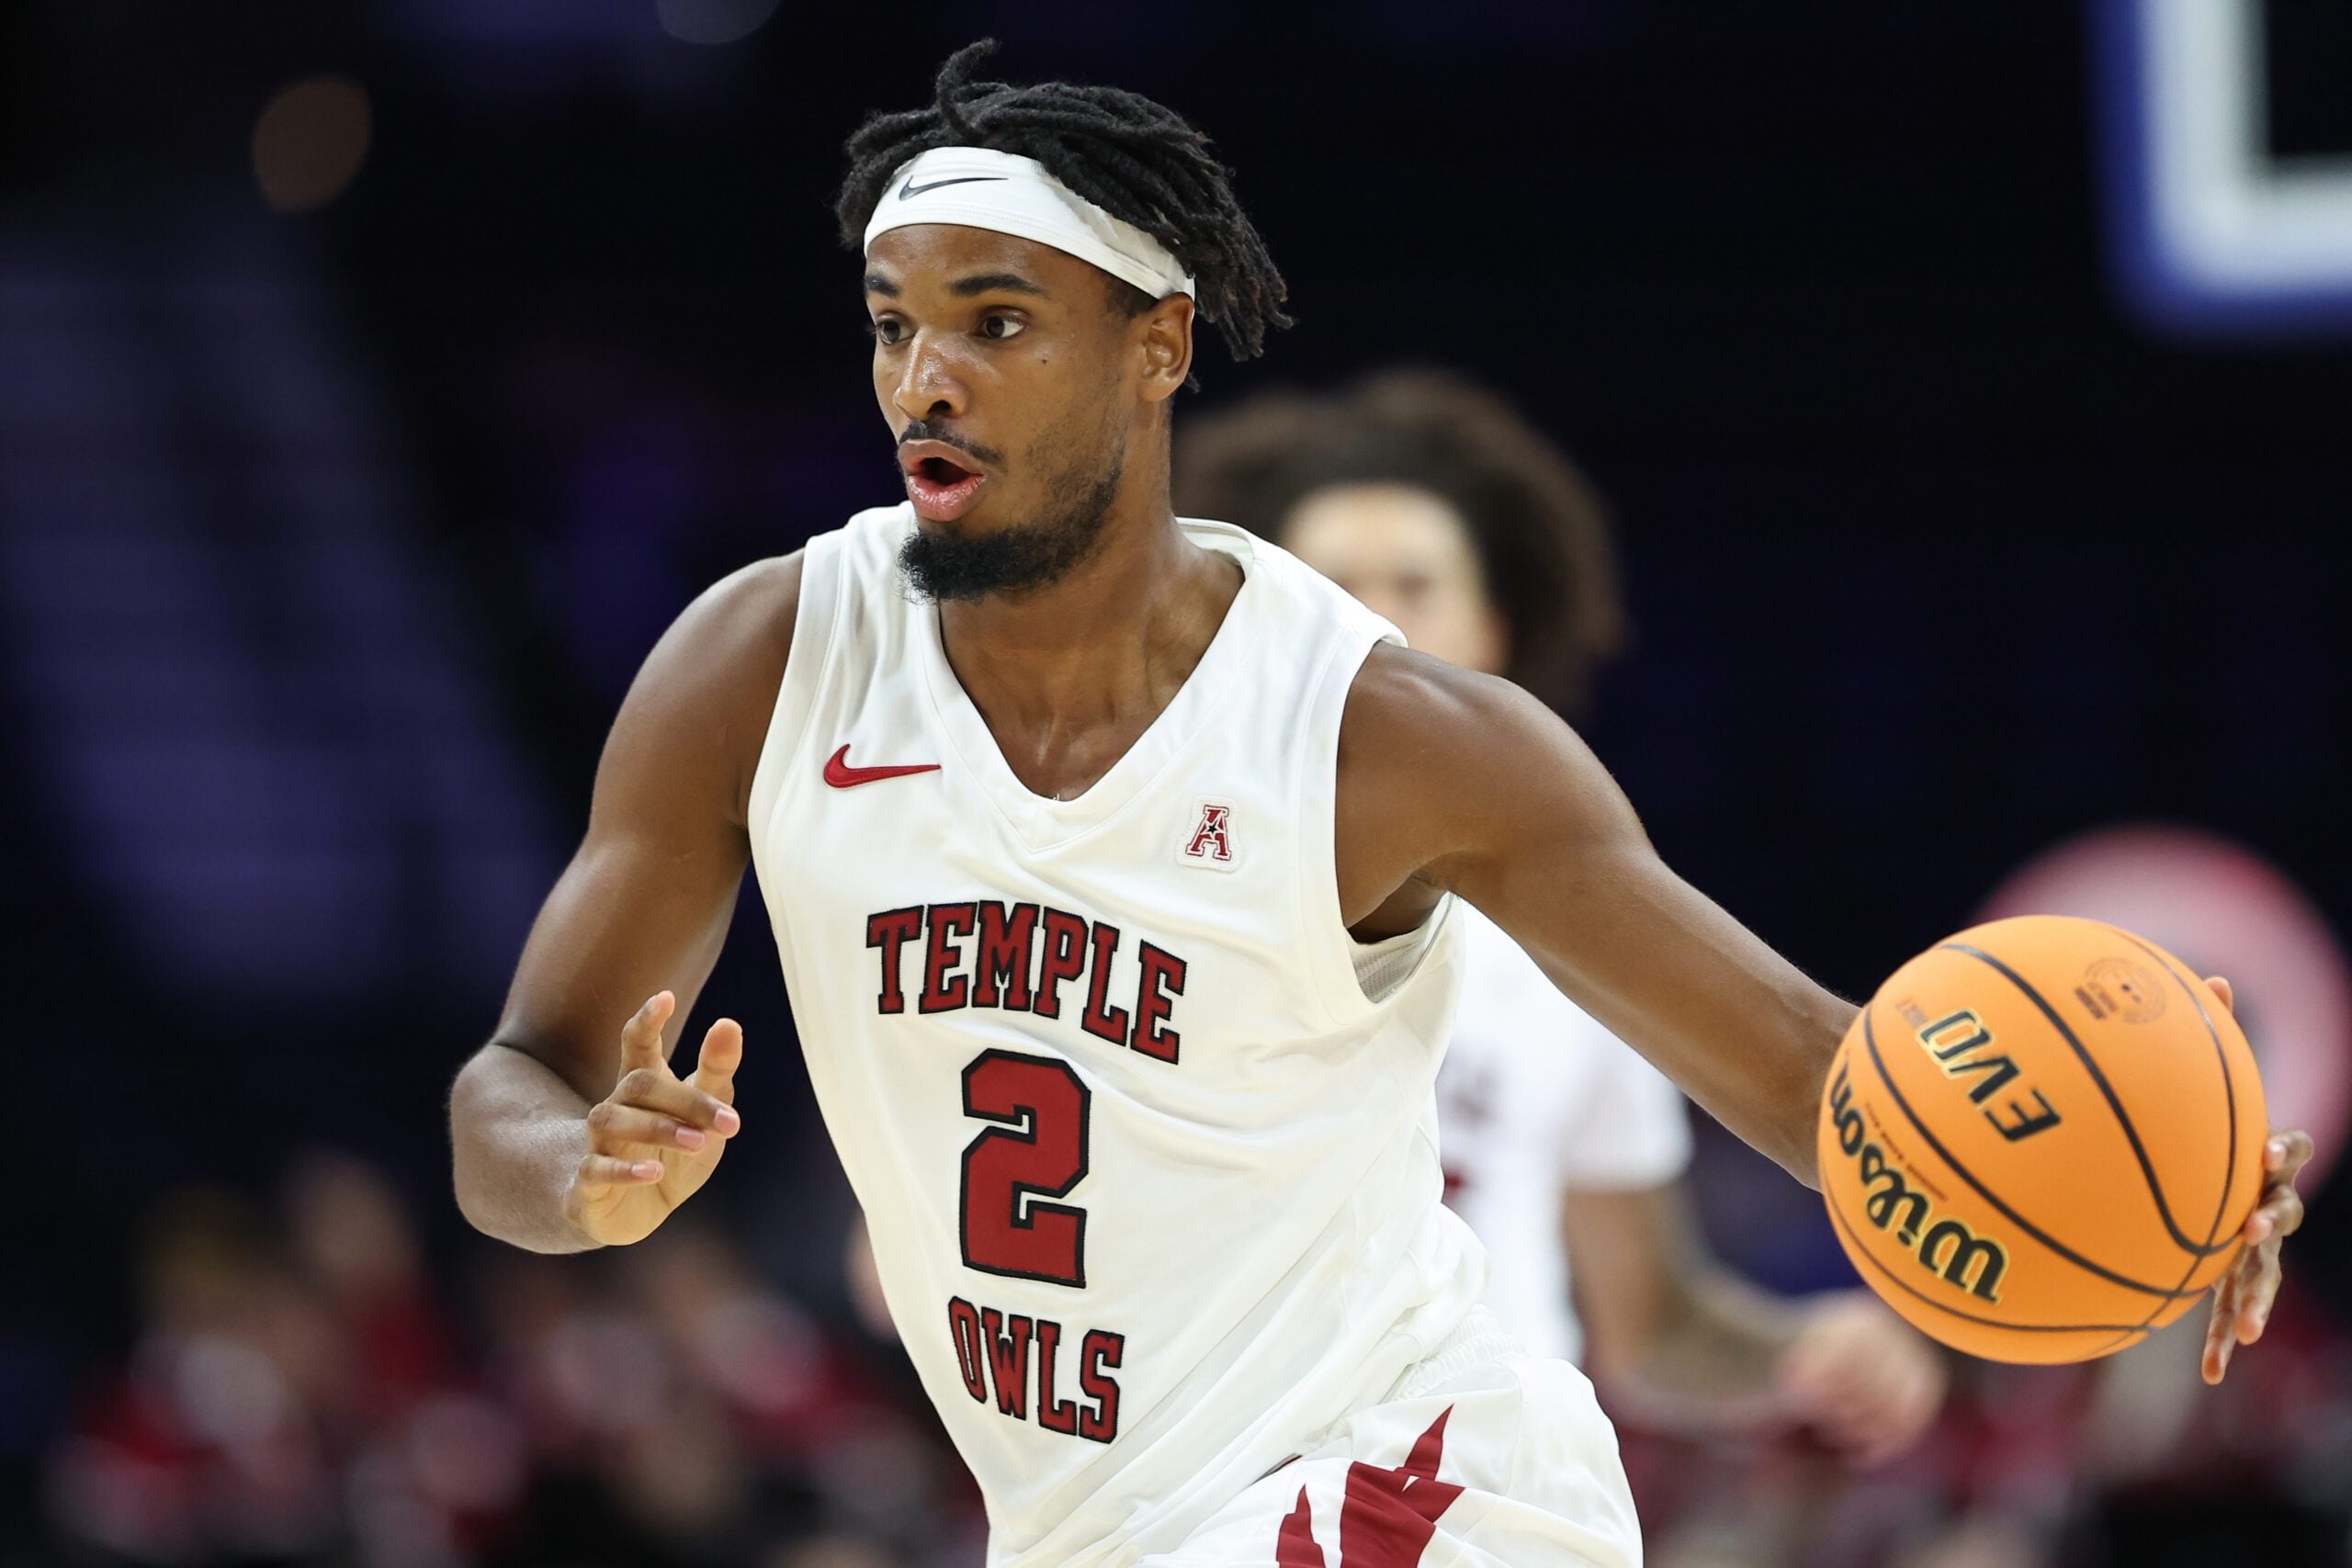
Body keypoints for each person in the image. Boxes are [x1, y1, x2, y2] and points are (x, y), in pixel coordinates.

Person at [447, 42, 2311, 1568]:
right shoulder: (764, 660)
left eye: (996, 322)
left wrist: (2161, 1186)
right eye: (891, 324)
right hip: (1093, 1524)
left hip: (1404, 1485)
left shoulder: (1382, 736)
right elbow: (505, 1089)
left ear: (1155, 346)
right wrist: (582, 1175)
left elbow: (1828, 1075)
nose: (924, 377)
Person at [1176, 370, 1945, 1462]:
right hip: (1215, 1492)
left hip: (1481, 1498)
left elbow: (1653, 1323)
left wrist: (1797, 1352)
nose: (1372, 616)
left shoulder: (1574, 928)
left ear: (1489, 632)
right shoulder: (1143, 884)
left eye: (1414, 582)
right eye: (1331, 584)